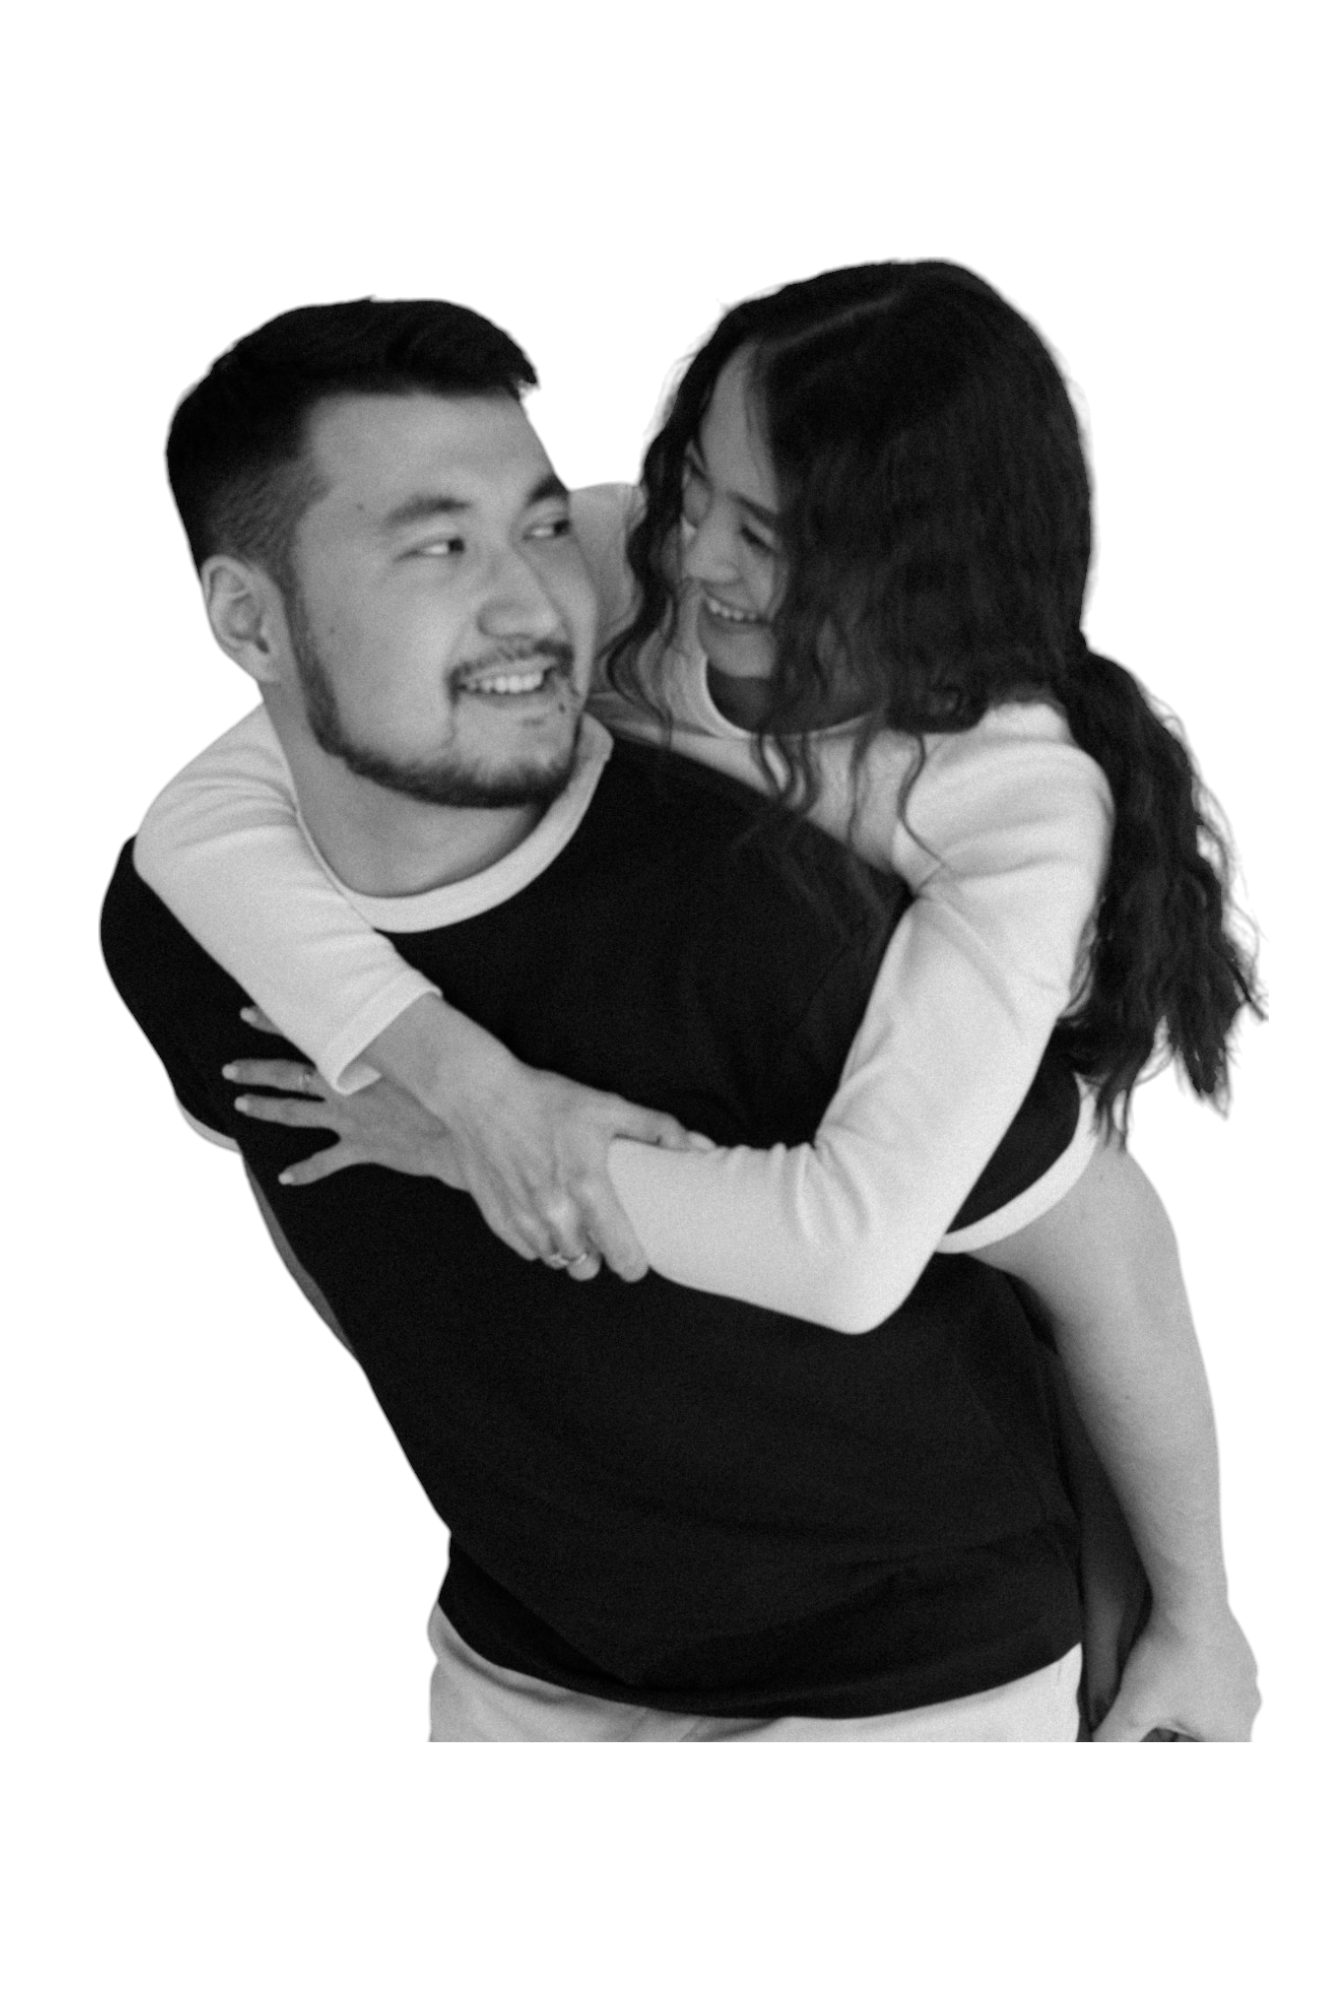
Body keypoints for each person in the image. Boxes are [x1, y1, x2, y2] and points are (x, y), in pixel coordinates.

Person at [102, 293, 1259, 1742]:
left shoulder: (985, 817)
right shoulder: (621, 568)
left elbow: (912, 1250)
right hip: (543, 1642)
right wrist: (460, 1077)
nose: (695, 556)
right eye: (693, 488)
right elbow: (208, 808)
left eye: (762, 533)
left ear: (915, 558)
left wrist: (1192, 1608)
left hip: (915, 1577)